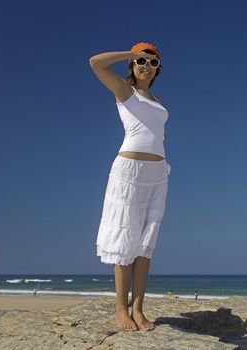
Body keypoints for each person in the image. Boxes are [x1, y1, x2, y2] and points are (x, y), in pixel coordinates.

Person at [90, 42, 171, 333]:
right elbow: (95, 62)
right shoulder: (126, 92)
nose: (147, 67)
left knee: (145, 244)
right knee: (125, 241)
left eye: (153, 63)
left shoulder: (156, 99)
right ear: (133, 66)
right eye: (142, 62)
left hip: (158, 173)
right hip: (129, 172)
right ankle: (120, 309)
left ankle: (138, 308)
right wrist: (131, 53)